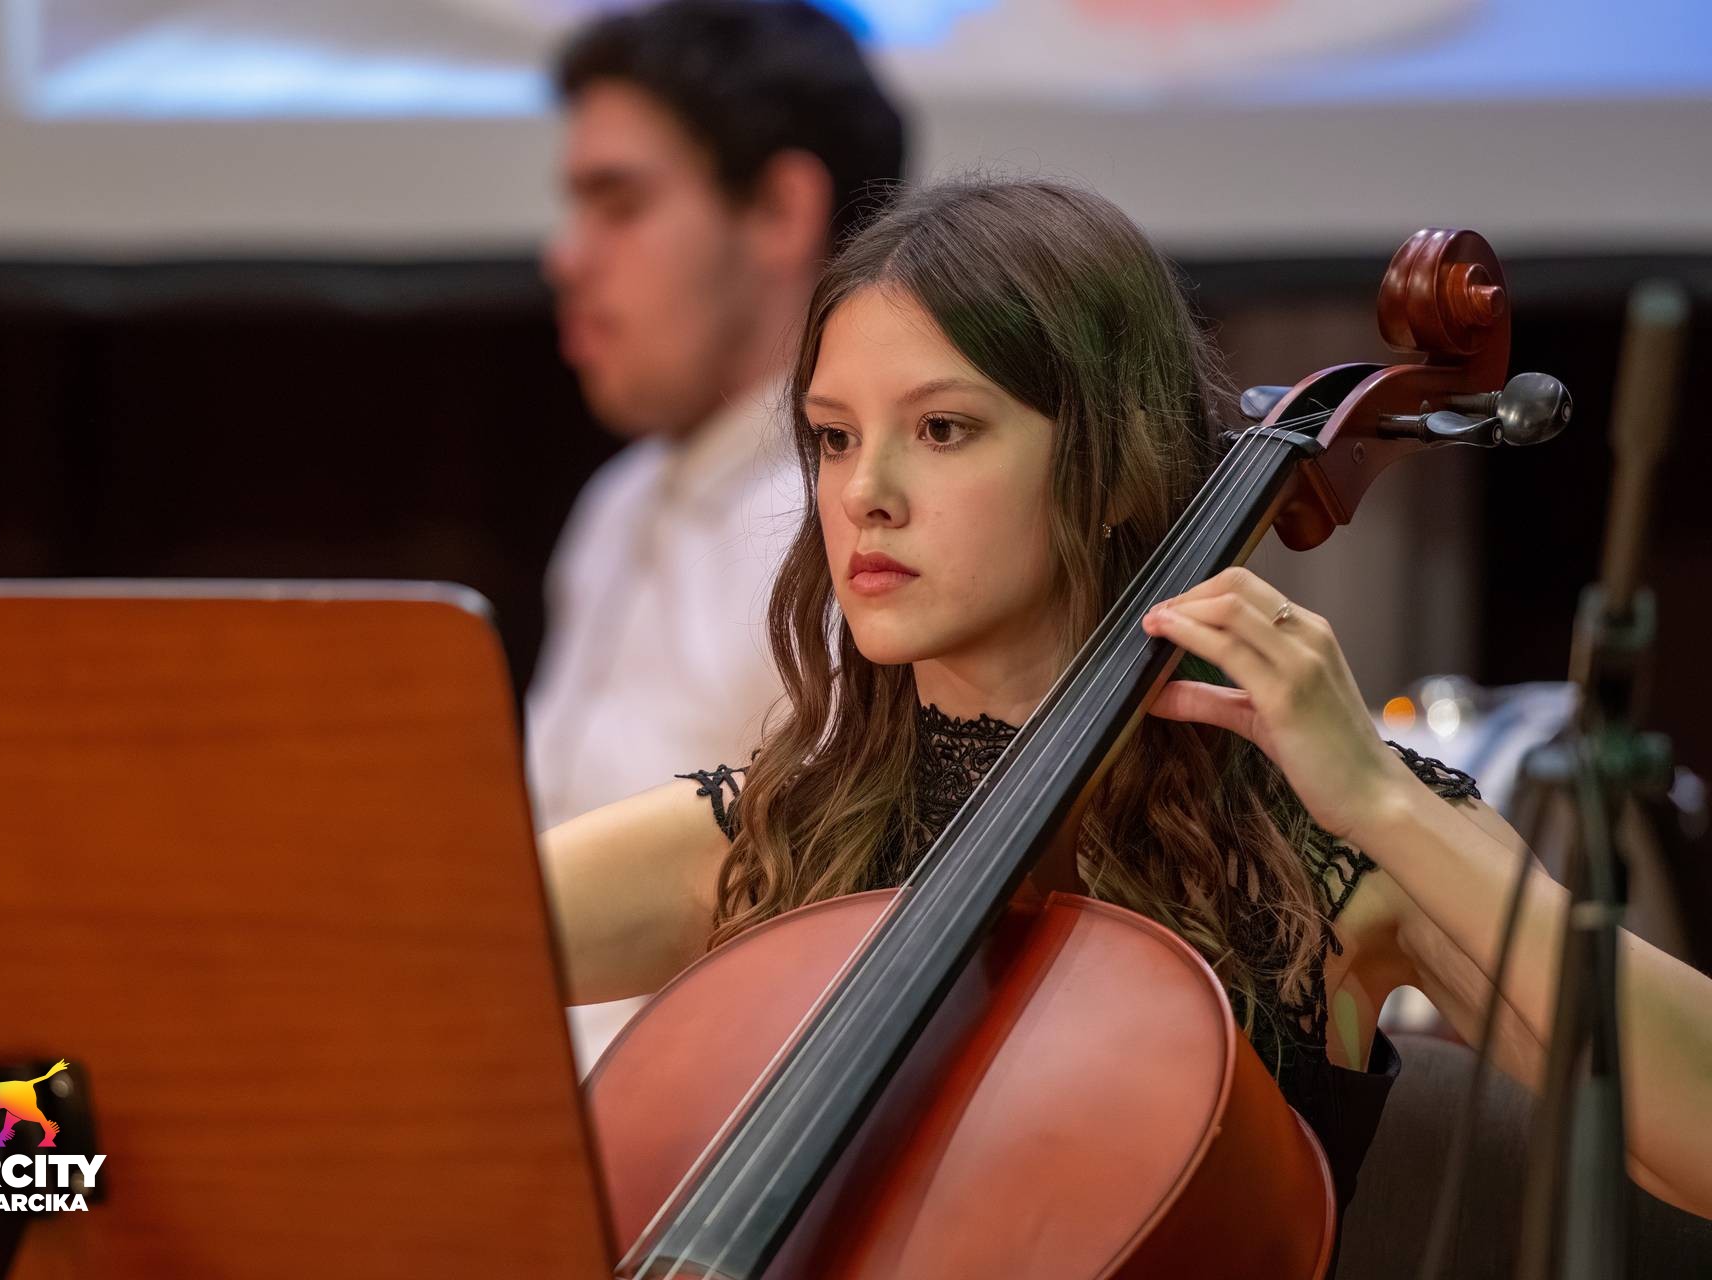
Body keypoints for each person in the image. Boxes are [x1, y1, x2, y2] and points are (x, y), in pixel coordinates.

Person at [539, 179, 1712, 1235]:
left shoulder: (1317, 853)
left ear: (1112, 465)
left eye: (943, 429)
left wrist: (1380, 800)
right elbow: (432, 950)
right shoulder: (779, 831)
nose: (864, 493)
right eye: (834, 437)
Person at [528, 0, 906, 834]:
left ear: (779, 210)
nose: (565, 257)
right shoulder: (616, 500)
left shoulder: (866, 527)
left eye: (620, 204)